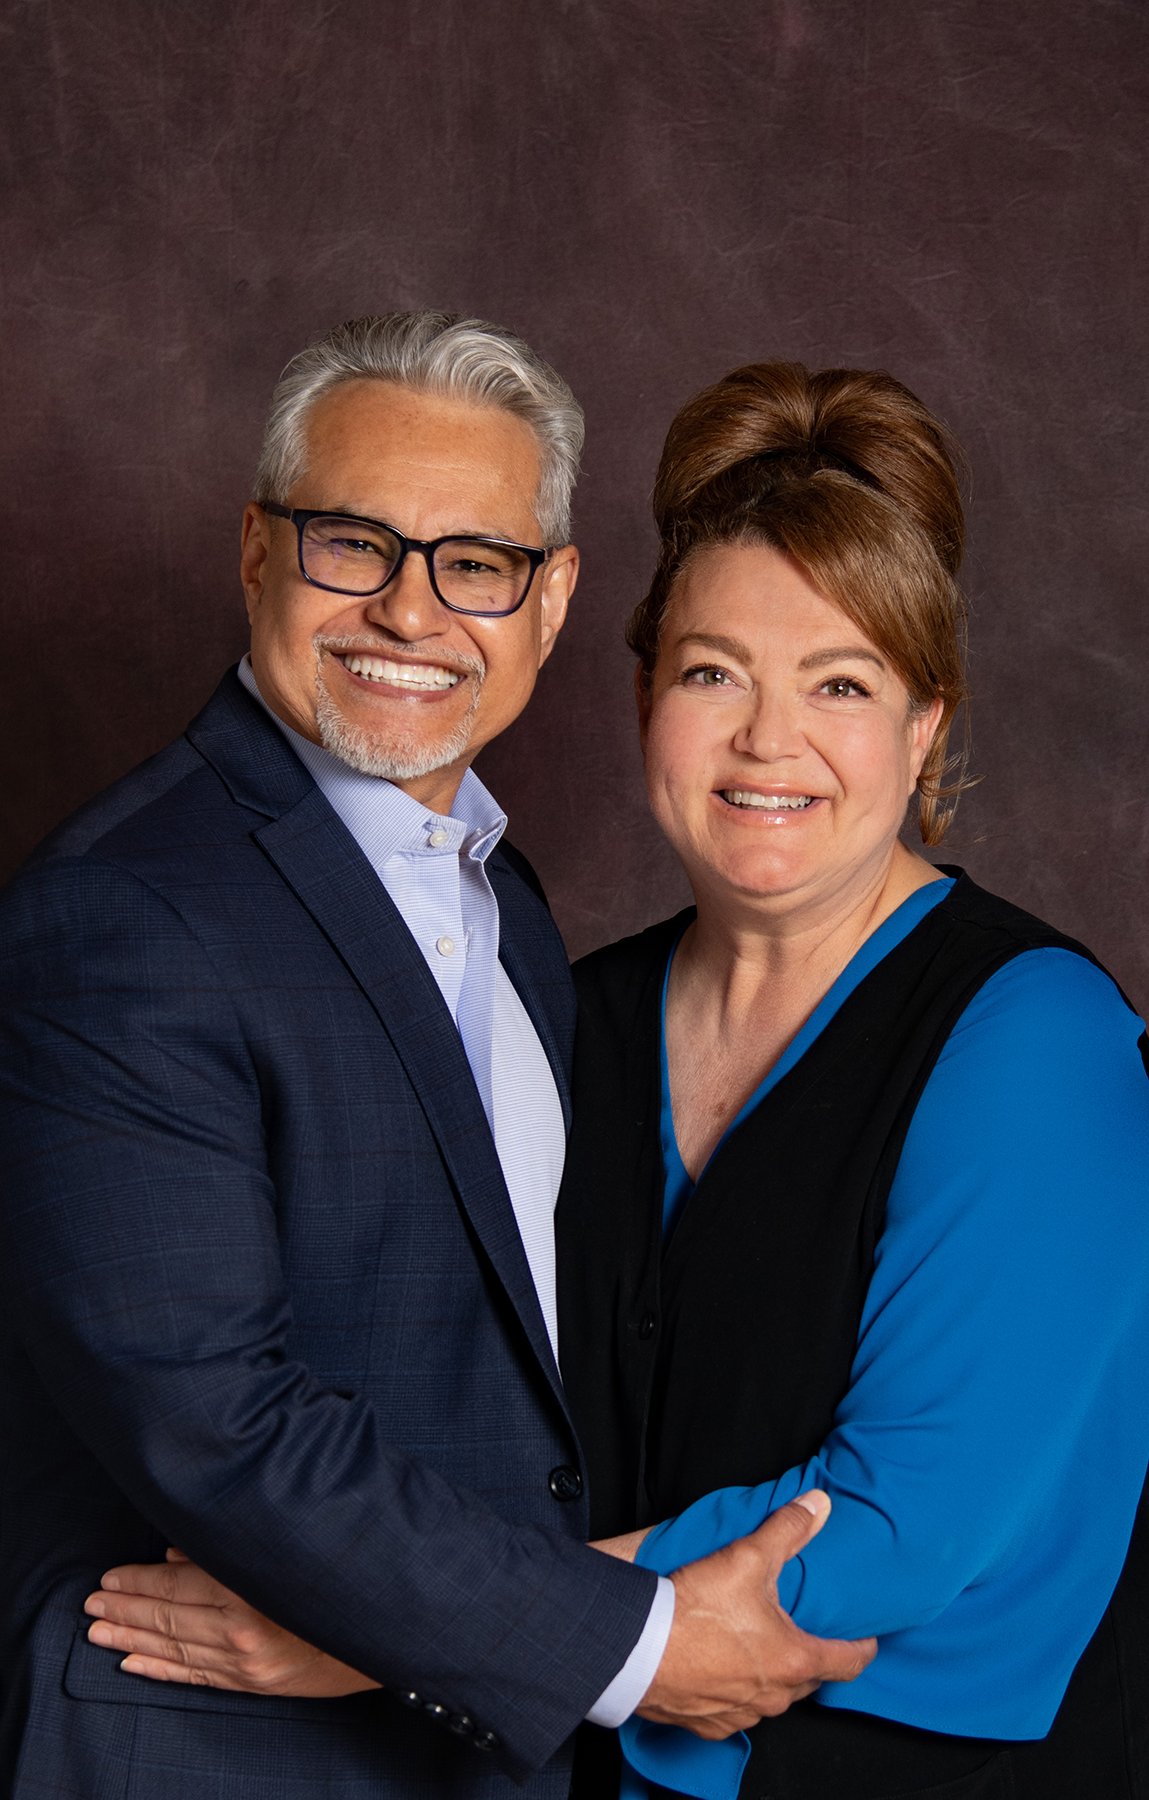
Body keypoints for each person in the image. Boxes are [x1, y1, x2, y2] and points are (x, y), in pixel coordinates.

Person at [0, 318, 872, 1800]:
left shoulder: (502, 908)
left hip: (466, 1754)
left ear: (551, 600)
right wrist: (635, 1646)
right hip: (202, 1760)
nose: (410, 609)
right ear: (257, 551)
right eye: (352, 543)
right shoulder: (116, 920)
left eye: (476, 562)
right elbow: (221, 1426)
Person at [554, 362, 1149, 1798]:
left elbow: (897, 1531)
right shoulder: (562, 1017)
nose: (770, 740)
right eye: (713, 672)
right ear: (645, 693)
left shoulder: (1038, 1037)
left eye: (841, 683)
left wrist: (394, 1633)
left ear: (925, 724)